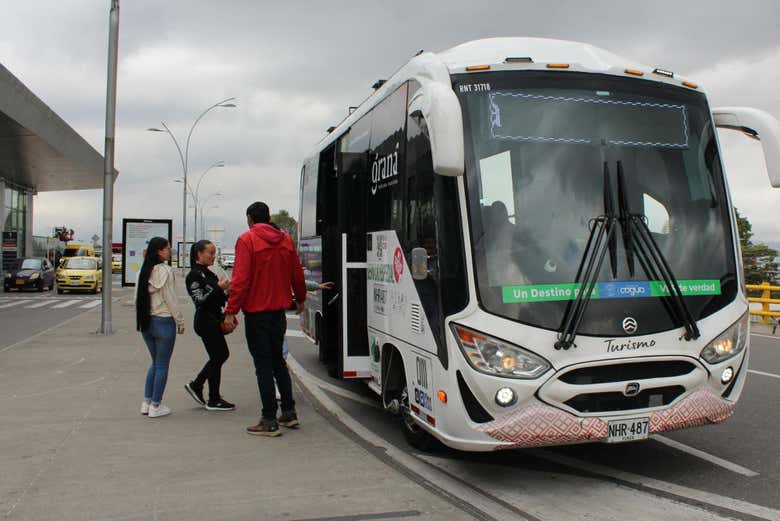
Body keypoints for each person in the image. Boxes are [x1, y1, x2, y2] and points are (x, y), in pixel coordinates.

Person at [224, 202, 306, 437]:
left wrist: (231, 311)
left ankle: (269, 419)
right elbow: (297, 274)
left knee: (263, 366)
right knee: (278, 362)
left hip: (257, 314)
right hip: (278, 314)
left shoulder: (246, 240)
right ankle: (289, 413)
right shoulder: (286, 240)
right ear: (268, 217)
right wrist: (300, 299)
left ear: (250, 218)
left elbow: (240, 281)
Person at [136, 237, 184, 418]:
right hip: (164, 321)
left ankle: (146, 402)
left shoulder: (143, 271)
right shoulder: (166, 271)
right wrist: (180, 321)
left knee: (155, 363)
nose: (170, 251)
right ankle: (156, 405)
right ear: (159, 251)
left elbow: (137, 299)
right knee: (162, 364)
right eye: (167, 249)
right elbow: (171, 299)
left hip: (146, 322)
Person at [184, 240, 235, 411]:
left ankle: (201, 388)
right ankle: (211, 396)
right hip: (205, 322)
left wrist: (226, 292)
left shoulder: (208, 273)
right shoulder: (194, 275)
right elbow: (199, 300)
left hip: (213, 319)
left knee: (219, 355)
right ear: (199, 254)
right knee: (219, 355)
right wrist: (218, 289)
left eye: (214, 253)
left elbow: (218, 298)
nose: (213, 256)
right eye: (210, 253)